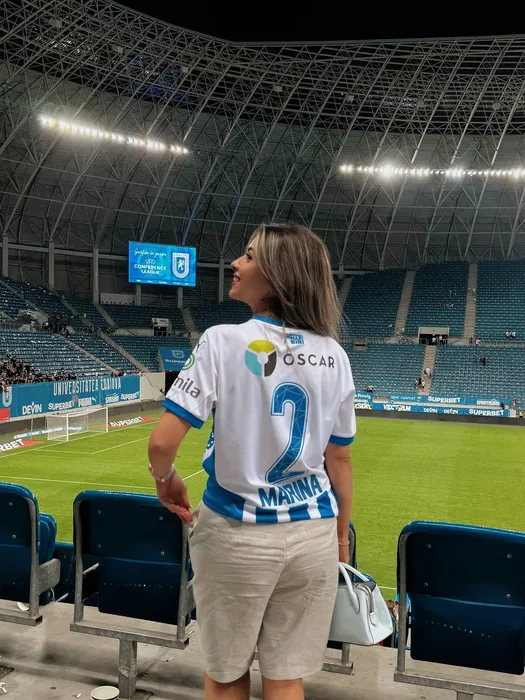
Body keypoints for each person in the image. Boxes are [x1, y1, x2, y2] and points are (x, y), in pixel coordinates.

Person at [148, 223, 355, 700]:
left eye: (248, 255)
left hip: (237, 532)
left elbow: (161, 444)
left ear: (278, 274)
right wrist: (340, 538)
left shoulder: (222, 341)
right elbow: (340, 460)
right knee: (286, 677)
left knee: (226, 676)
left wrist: (166, 479)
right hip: (314, 535)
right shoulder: (335, 355)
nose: (235, 264)